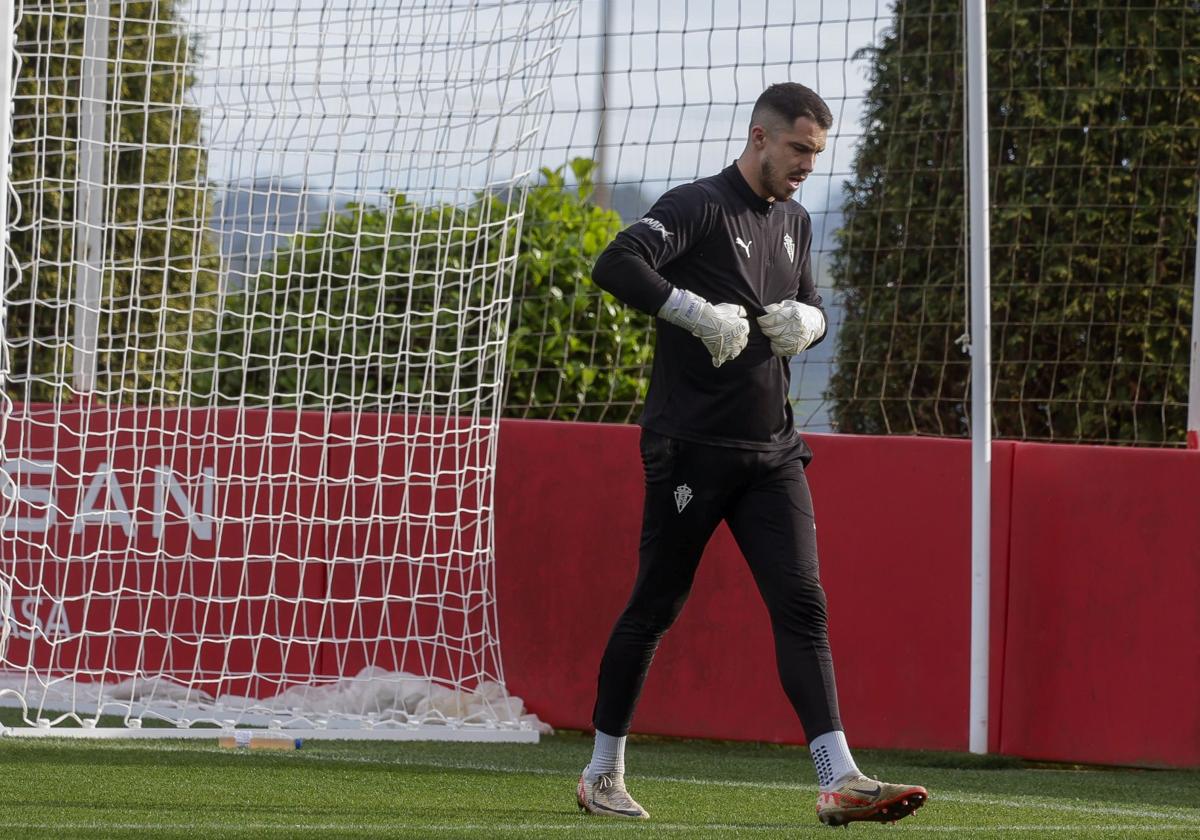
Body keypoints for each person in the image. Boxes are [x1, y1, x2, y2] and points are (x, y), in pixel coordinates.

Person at [573, 82, 928, 828]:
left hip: (772, 452)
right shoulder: (698, 205)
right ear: (759, 138)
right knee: (655, 606)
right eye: (798, 148)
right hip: (690, 450)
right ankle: (602, 773)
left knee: (804, 606)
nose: (807, 164)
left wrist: (817, 323)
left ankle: (839, 779)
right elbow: (616, 263)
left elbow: (810, 304)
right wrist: (689, 310)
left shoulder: (797, 223)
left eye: (817, 153)